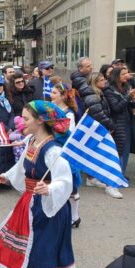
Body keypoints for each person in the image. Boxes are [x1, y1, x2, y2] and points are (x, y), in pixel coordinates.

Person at [0, 100, 75, 268]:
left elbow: (65, 179)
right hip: (31, 202)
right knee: (37, 249)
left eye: (26, 119)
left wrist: (49, 188)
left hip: (49, 207)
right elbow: (22, 166)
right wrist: (9, 175)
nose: (21, 122)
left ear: (40, 120)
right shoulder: (32, 141)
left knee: (49, 250)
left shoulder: (53, 150)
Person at [50, 79, 83, 227]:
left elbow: (69, 134)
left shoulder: (68, 114)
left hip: (65, 152)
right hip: (54, 150)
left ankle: (75, 216)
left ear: (63, 96)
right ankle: (60, 212)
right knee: (57, 182)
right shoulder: (53, 109)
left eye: (54, 93)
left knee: (71, 184)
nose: (51, 95)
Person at [103, 67, 135, 199]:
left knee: (124, 153)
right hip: (117, 125)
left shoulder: (127, 86)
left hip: (128, 124)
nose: (127, 75)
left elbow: (133, 107)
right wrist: (127, 97)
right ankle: (110, 185)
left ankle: (117, 180)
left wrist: (134, 99)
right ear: (116, 76)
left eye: (127, 73)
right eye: (124, 74)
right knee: (116, 154)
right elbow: (116, 108)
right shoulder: (109, 89)